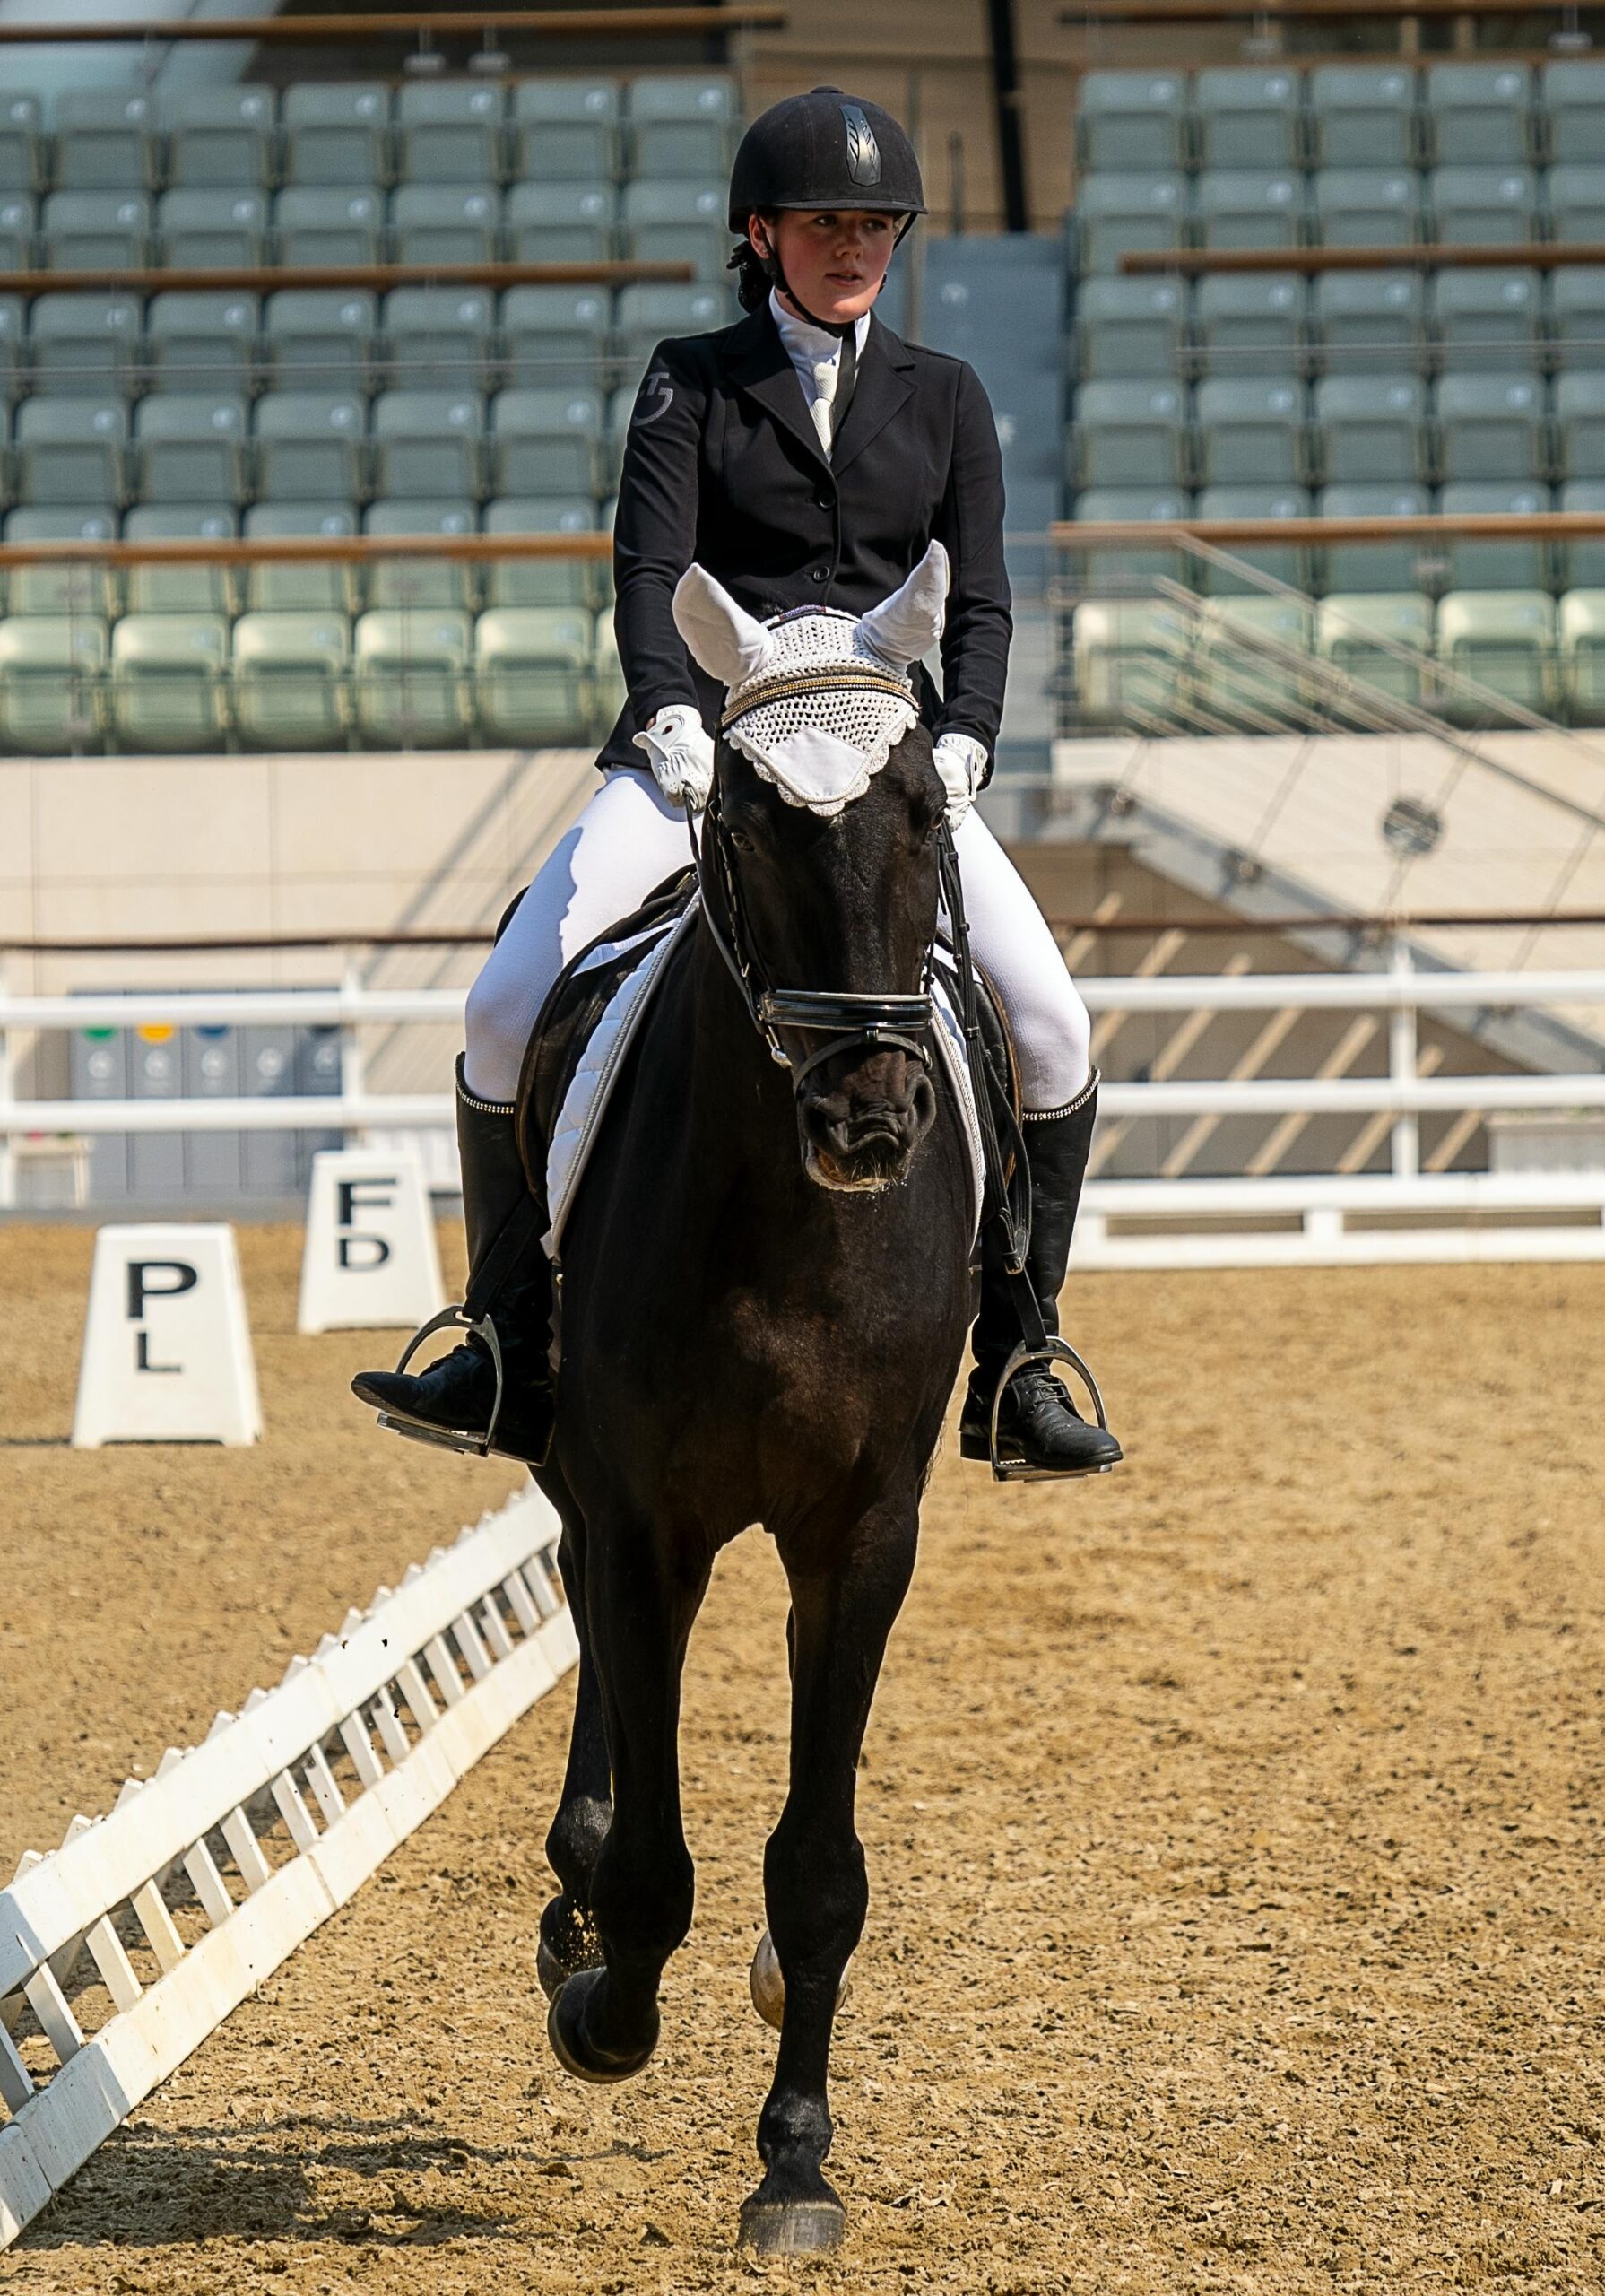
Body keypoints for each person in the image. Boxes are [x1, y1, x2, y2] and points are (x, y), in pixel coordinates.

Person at [353, 88, 1123, 1480]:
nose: (854, 244)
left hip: (887, 763)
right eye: (826, 221)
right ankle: (506, 1340)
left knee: (1054, 1028)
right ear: (760, 234)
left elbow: (988, 602)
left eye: (876, 223)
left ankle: (1017, 1356)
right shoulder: (688, 379)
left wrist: (968, 740)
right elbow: (647, 571)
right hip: (710, 748)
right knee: (504, 1001)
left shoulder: (943, 394)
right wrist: (666, 714)